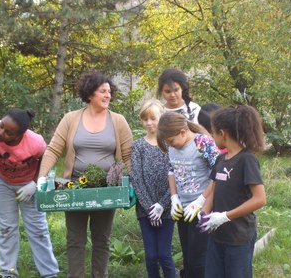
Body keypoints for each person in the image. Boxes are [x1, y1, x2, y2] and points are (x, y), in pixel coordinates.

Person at [37, 72, 133, 278]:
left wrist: (132, 183)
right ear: (90, 94)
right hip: (73, 187)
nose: (108, 95)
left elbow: (128, 155)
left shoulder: (118, 121)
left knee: (102, 239)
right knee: (75, 240)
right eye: (102, 91)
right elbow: (53, 149)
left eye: (109, 91)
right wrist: (42, 178)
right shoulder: (71, 118)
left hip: (107, 189)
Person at [0, 108, 59, 278]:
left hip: (28, 183)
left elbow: (46, 161)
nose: (0, 132)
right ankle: (8, 273)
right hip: (0, 181)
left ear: (20, 135)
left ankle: (49, 274)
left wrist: (35, 184)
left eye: (8, 132)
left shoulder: (36, 143)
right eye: (2, 126)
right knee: (6, 228)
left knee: (38, 229)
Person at [198, 105, 267, 278]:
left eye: (213, 132)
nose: (211, 136)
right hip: (217, 236)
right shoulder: (221, 159)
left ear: (223, 133)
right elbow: (214, 189)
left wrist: (225, 216)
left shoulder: (247, 160)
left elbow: (260, 199)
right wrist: (204, 212)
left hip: (238, 237)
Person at [156, 112, 220, 278]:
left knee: (199, 260)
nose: (170, 145)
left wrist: (201, 201)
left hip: (202, 210)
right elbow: (171, 171)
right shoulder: (172, 146)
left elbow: (218, 174)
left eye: (171, 141)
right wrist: (174, 198)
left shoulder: (202, 143)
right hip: (183, 209)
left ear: (183, 133)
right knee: (188, 259)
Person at [130, 99, 176, 278]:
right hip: (146, 209)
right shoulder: (138, 146)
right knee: (151, 256)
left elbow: (176, 176)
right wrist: (150, 207)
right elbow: (137, 178)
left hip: (167, 208)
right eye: (145, 119)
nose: (149, 123)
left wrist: (162, 204)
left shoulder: (171, 144)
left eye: (153, 118)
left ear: (162, 118)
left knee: (164, 254)